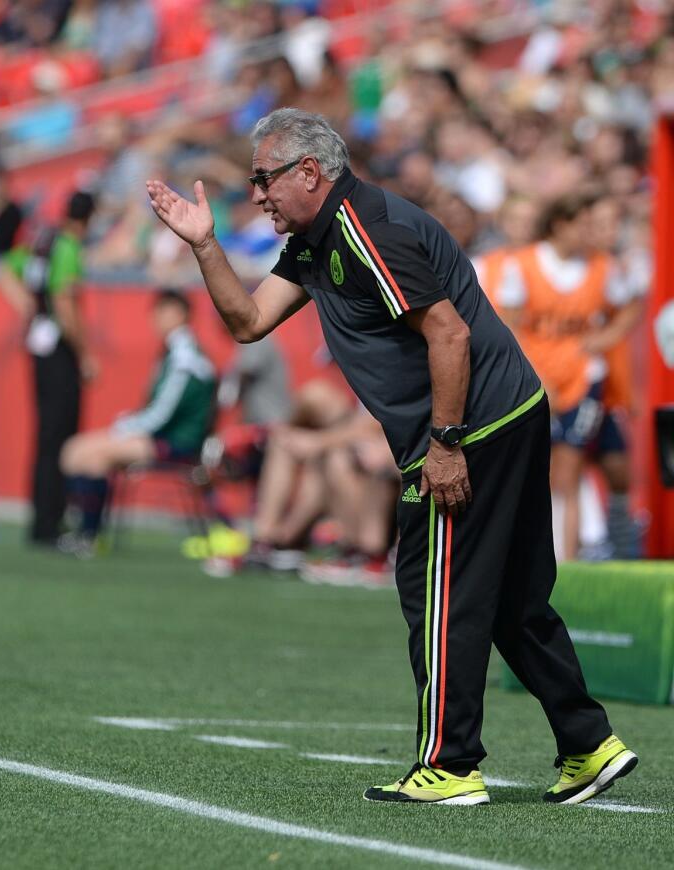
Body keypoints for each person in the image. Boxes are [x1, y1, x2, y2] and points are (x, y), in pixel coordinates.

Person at [147, 108, 636, 805]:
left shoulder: (367, 228)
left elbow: (450, 336)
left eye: (264, 179)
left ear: (308, 172)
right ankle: (589, 745)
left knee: (439, 593)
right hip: (511, 412)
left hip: (478, 424)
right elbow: (248, 322)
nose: (256, 194)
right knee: (514, 602)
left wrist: (445, 445)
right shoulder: (319, 238)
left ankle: (450, 764)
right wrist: (204, 246)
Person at [495, 193, 643, 561]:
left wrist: (606, 337)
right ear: (560, 225)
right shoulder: (525, 264)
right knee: (537, 468)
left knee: (570, 466)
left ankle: (568, 560)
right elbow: (509, 324)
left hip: (583, 377)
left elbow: (629, 307)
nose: (591, 233)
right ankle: (540, 553)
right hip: (535, 375)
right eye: (585, 225)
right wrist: (537, 375)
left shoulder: (601, 267)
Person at [59, 289, 217, 556]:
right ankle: (86, 533)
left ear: (182, 315)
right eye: (156, 312)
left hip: (177, 443)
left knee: (86, 453)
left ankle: (89, 535)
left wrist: (124, 427)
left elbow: (161, 414)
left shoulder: (184, 357)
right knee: (77, 452)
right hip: (161, 437)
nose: (157, 319)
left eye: (164, 311)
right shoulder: (172, 352)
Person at [0, 190, 97, 547]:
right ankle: (51, 522)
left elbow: (5, 270)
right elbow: (64, 303)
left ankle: (41, 520)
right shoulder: (68, 247)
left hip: (39, 346)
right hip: (59, 350)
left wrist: (26, 305)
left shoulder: (42, 241)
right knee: (60, 438)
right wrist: (85, 354)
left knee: (45, 438)